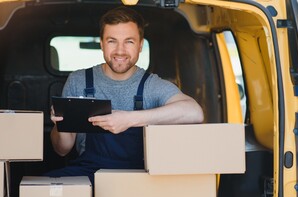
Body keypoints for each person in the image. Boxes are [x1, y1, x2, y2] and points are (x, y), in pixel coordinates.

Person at [47, 6, 204, 184]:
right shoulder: (79, 81)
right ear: (101, 43)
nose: (120, 51)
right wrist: (59, 125)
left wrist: (129, 119)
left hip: (139, 180)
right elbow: (62, 150)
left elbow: (194, 112)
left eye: (128, 41)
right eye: (112, 41)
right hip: (90, 175)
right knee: (42, 190)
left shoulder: (151, 85)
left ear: (140, 45)